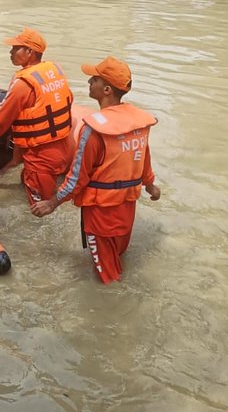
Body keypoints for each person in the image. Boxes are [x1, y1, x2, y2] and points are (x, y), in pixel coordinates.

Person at [31, 56, 161, 284]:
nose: (90, 81)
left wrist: (52, 203)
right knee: (118, 259)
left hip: (100, 215)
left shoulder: (93, 130)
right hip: (127, 209)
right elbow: (143, 160)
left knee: (107, 277)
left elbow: (76, 179)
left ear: (107, 90)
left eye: (95, 79)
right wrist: (151, 186)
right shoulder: (139, 124)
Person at [0, 27, 75, 207]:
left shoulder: (23, 84)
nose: (11, 52)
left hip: (42, 158)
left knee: (38, 209)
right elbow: (67, 101)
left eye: (16, 48)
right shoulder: (54, 71)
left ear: (29, 52)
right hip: (65, 145)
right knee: (33, 185)